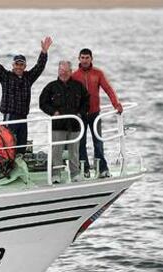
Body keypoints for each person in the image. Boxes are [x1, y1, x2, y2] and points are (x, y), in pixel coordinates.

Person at [0, 34, 52, 154]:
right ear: (13, 65)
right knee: (8, 143)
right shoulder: (6, 77)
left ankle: (20, 165)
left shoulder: (28, 78)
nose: (19, 67)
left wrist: (44, 51)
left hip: (23, 117)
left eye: (21, 64)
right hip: (10, 116)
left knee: (21, 145)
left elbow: (39, 67)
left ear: (25, 66)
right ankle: (8, 167)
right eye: (17, 64)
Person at [72, 48, 123, 178]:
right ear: (79, 59)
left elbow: (108, 89)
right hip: (80, 115)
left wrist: (116, 104)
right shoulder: (74, 75)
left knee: (98, 141)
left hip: (95, 113)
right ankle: (85, 169)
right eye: (82, 58)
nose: (84, 60)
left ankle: (102, 169)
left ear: (91, 59)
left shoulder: (98, 73)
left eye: (87, 58)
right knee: (81, 142)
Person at [39, 60, 89, 183]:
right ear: (58, 71)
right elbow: (42, 103)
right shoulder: (51, 86)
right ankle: (56, 174)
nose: (63, 73)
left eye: (66, 71)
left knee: (74, 151)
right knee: (56, 151)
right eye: (61, 71)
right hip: (58, 125)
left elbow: (86, 101)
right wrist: (53, 112)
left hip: (74, 124)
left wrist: (80, 113)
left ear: (71, 72)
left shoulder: (78, 86)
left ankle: (75, 174)